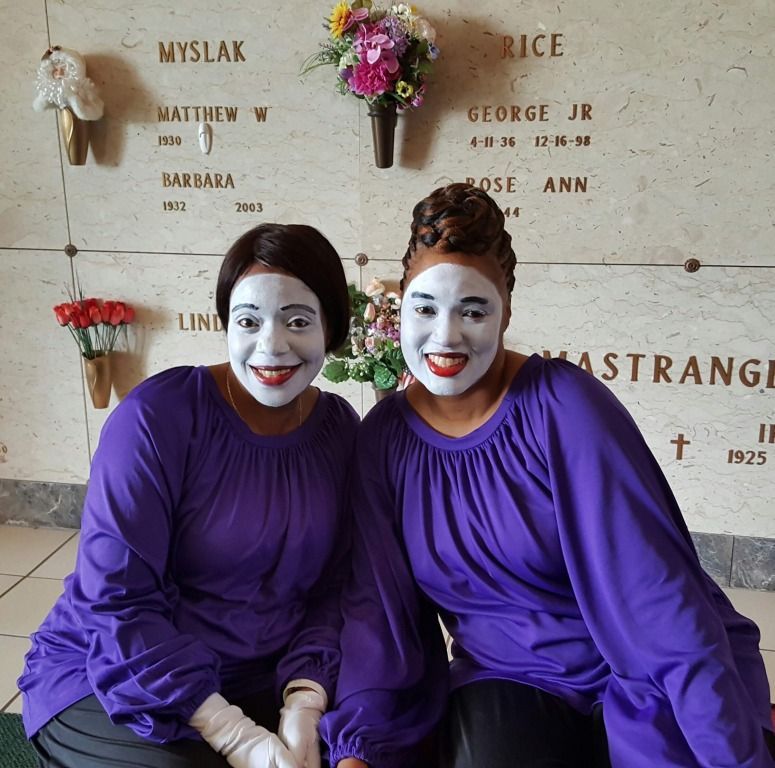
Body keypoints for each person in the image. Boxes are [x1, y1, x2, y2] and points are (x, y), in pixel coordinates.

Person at [321, 183, 775, 768]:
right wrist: (362, 744)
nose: (446, 336)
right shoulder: (384, 439)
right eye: (425, 308)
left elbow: (657, 596)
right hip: (504, 682)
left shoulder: (564, 405)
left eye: (474, 310)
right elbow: (378, 610)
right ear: (400, 305)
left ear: (507, 310)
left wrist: (729, 754)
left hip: (632, 670)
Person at [19, 223, 359, 768]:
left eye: (298, 321)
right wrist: (233, 734)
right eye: (248, 321)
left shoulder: (339, 429)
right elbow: (117, 600)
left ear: (332, 329)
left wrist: (304, 698)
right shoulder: (158, 418)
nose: (271, 345)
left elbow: (337, 584)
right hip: (112, 670)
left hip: (259, 678)